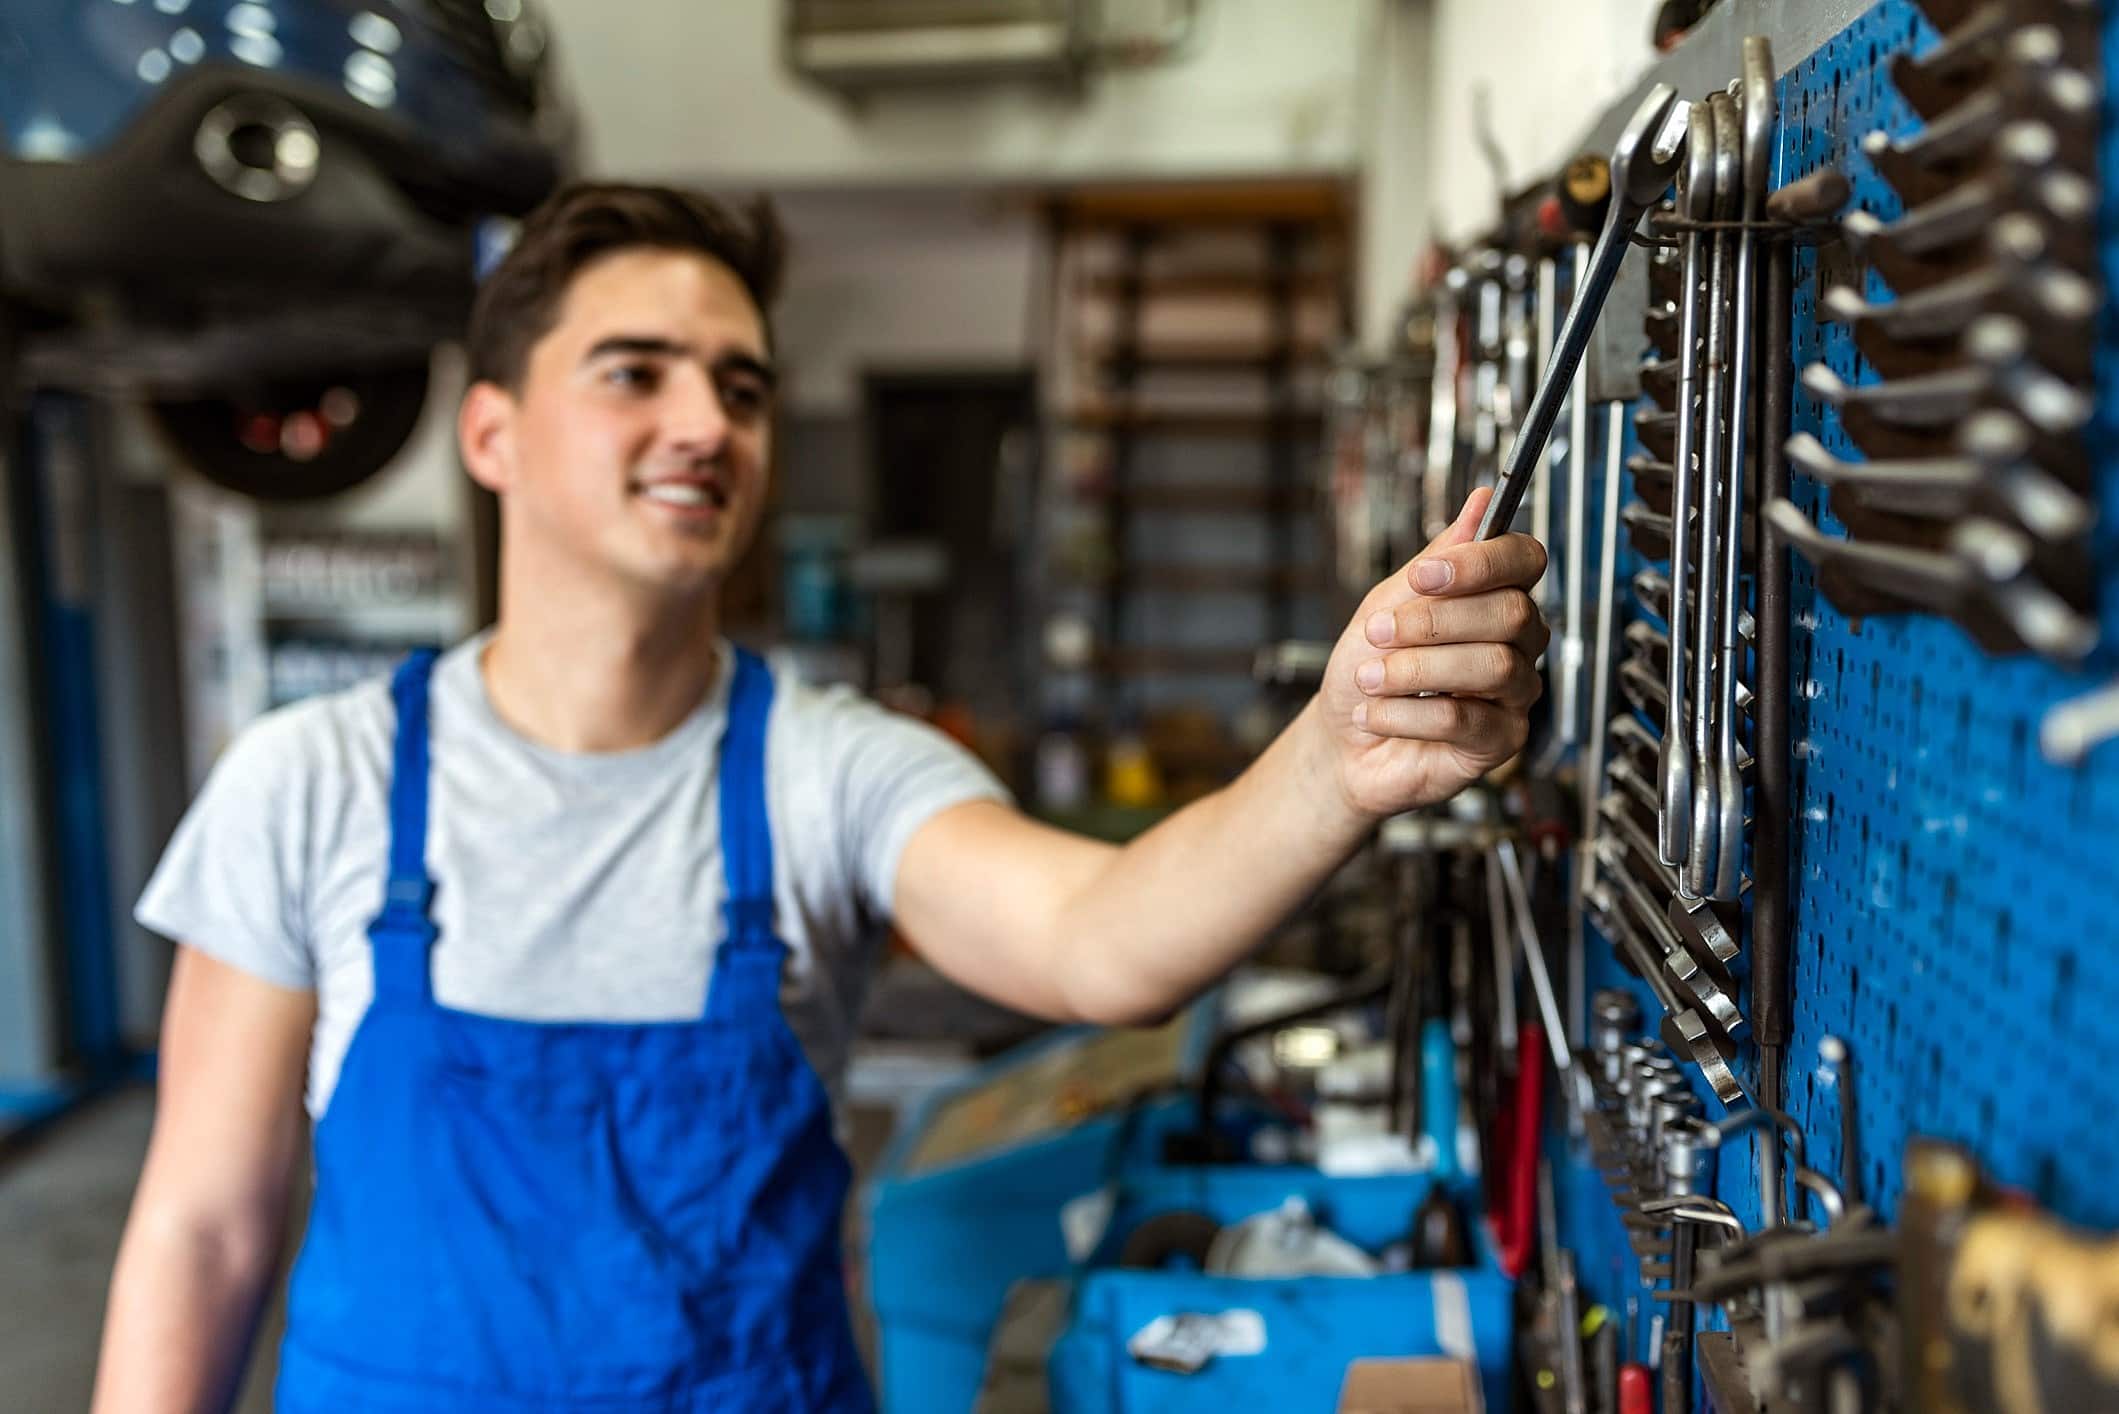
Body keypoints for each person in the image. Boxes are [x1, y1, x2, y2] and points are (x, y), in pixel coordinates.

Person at [93, 184, 1549, 1413]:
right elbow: (205, 1228)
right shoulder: (314, 781)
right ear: (492, 435)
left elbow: (1099, 939)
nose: (706, 423)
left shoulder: (825, 769)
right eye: (635, 373)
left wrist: (1332, 758)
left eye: (741, 387)